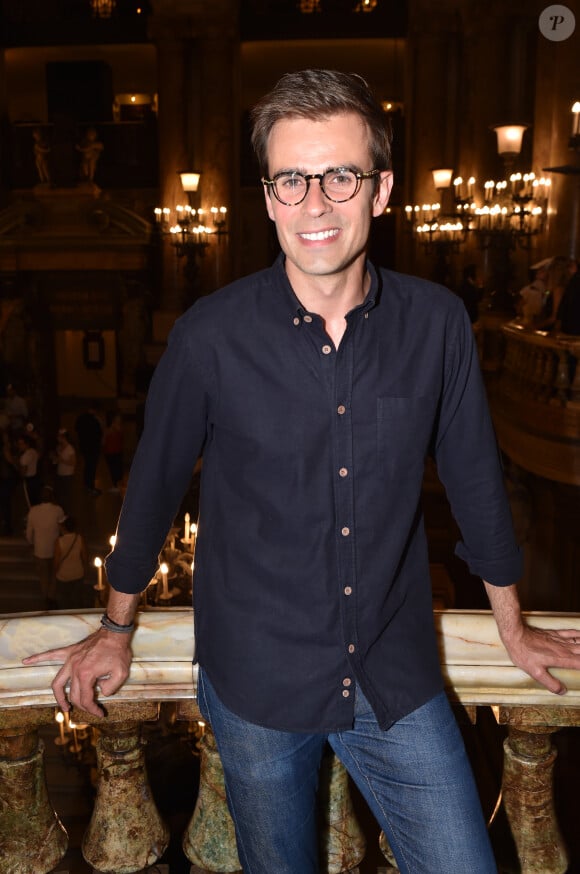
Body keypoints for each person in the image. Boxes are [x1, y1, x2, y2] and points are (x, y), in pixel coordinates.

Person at [24, 69, 580, 874]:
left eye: (339, 176)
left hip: (395, 676)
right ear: (268, 196)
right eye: (292, 179)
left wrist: (513, 624)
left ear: (381, 190)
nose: (314, 203)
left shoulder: (437, 323)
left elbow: (475, 484)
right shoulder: (210, 336)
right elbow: (150, 489)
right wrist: (115, 628)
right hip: (256, 681)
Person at [25, 485, 63, 609]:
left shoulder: (33, 511)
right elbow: (63, 527)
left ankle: (45, 596)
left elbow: (29, 531)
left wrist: (30, 542)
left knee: (43, 575)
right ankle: (51, 597)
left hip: (39, 549)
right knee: (53, 574)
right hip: (54, 548)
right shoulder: (57, 510)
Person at [53, 515, 88, 610]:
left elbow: (56, 561)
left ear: (64, 527)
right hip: (78, 573)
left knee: (64, 600)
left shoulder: (59, 541)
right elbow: (84, 556)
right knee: (77, 599)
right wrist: (85, 570)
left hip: (63, 575)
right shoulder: (79, 538)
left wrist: (54, 573)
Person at [75, 405, 103, 495]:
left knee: (87, 466)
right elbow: (100, 433)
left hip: (84, 447)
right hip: (93, 447)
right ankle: (91, 487)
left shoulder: (80, 418)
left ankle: (87, 486)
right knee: (92, 467)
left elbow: (76, 429)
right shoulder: (95, 420)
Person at [52, 428, 76, 512]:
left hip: (68, 475)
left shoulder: (70, 449)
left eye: (59, 437)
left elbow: (73, 462)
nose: (57, 438)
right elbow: (58, 459)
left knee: (67, 495)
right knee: (60, 494)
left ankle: (67, 513)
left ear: (63, 437)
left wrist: (60, 460)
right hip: (60, 473)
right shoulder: (59, 447)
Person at [102, 411, 124, 493]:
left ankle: (117, 486)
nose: (119, 419)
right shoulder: (111, 428)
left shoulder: (115, 428)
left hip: (114, 452)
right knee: (114, 469)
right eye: (117, 418)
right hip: (111, 452)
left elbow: (103, 441)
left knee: (116, 469)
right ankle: (117, 486)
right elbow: (103, 442)